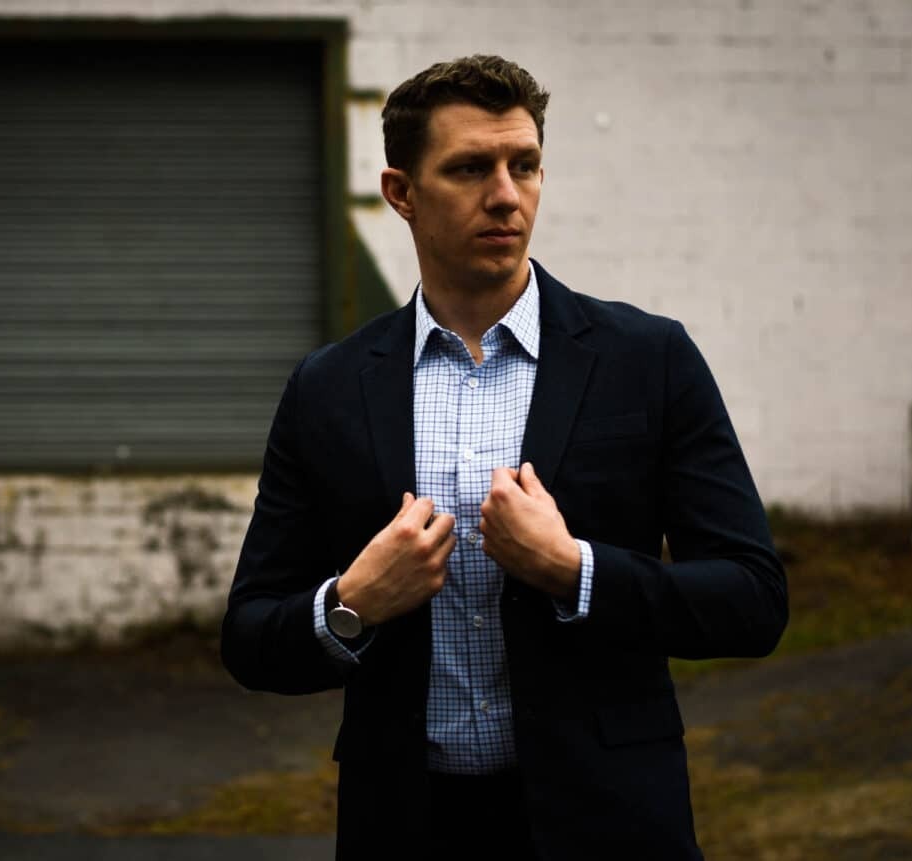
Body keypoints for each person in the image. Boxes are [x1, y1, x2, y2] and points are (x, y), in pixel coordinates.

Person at [221, 54, 787, 860]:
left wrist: (576, 570)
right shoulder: (330, 388)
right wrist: (352, 601)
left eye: (524, 165)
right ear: (401, 193)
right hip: (408, 825)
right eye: (469, 168)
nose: (505, 193)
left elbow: (754, 600)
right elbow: (249, 636)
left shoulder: (648, 360)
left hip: (609, 821)